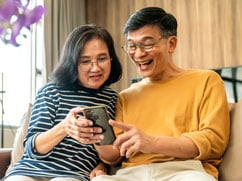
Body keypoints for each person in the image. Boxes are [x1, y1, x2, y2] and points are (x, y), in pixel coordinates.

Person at [90, 7, 230, 181]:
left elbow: (214, 141)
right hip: (132, 175)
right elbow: (116, 154)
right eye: (132, 46)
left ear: (171, 44)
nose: (138, 54)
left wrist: (152, 143)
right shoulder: (125, 97)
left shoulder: (206, 80)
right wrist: (96, 136)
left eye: (147, 44)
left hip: (184, 171)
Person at [3, 24, 122, 181]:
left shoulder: (113, 99)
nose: (95, 68)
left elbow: (114, 155)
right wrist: (65, 127)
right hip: (30, 171)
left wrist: (102, 164)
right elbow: (32, 148)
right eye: (85, 61)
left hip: (74, 174)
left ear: (111, 59)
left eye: (102, 59)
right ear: (72, 62)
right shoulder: (51, 91)